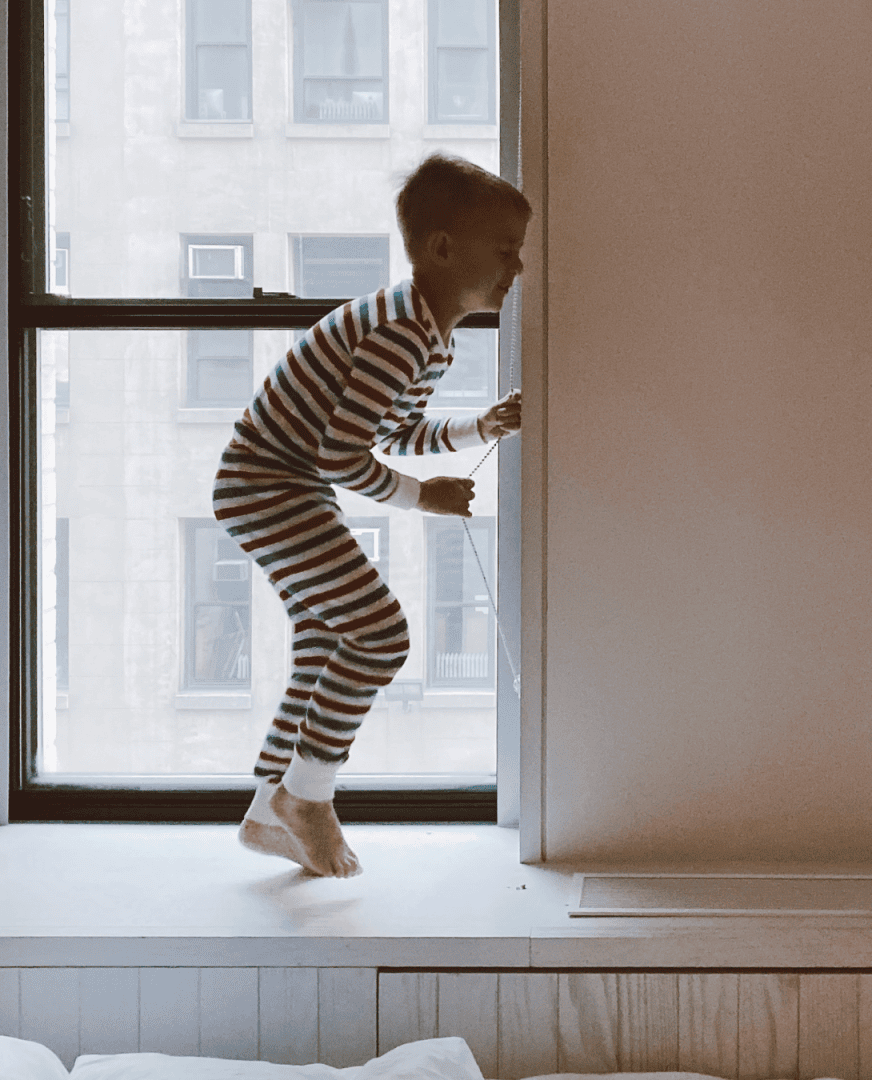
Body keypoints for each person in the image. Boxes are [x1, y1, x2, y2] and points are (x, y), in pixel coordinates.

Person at [213, 153, 529, 876]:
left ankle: (267, 810)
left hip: (275, 484)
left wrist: (479, 428)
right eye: (504, 250)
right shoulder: (400, 332)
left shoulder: (425, 332)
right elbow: (340, 455)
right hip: (271, 485)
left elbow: (393, 432)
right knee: (381, 635)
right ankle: (308, 798)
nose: (517, 267)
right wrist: (424, 497)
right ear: (444, 248)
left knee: (327, 638)